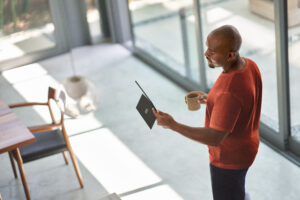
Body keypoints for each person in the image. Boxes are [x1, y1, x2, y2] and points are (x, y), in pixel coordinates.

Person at [152, 25, 262, 200]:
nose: (206, 54)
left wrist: (173, 125)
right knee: (237, 188)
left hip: (228, 160)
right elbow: (241, 102)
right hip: (248, 145)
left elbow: (214, 137)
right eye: (207, 48)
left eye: (212, 51)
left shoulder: (229, 92)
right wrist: (212, 100)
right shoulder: (249, 65)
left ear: (230, 55)